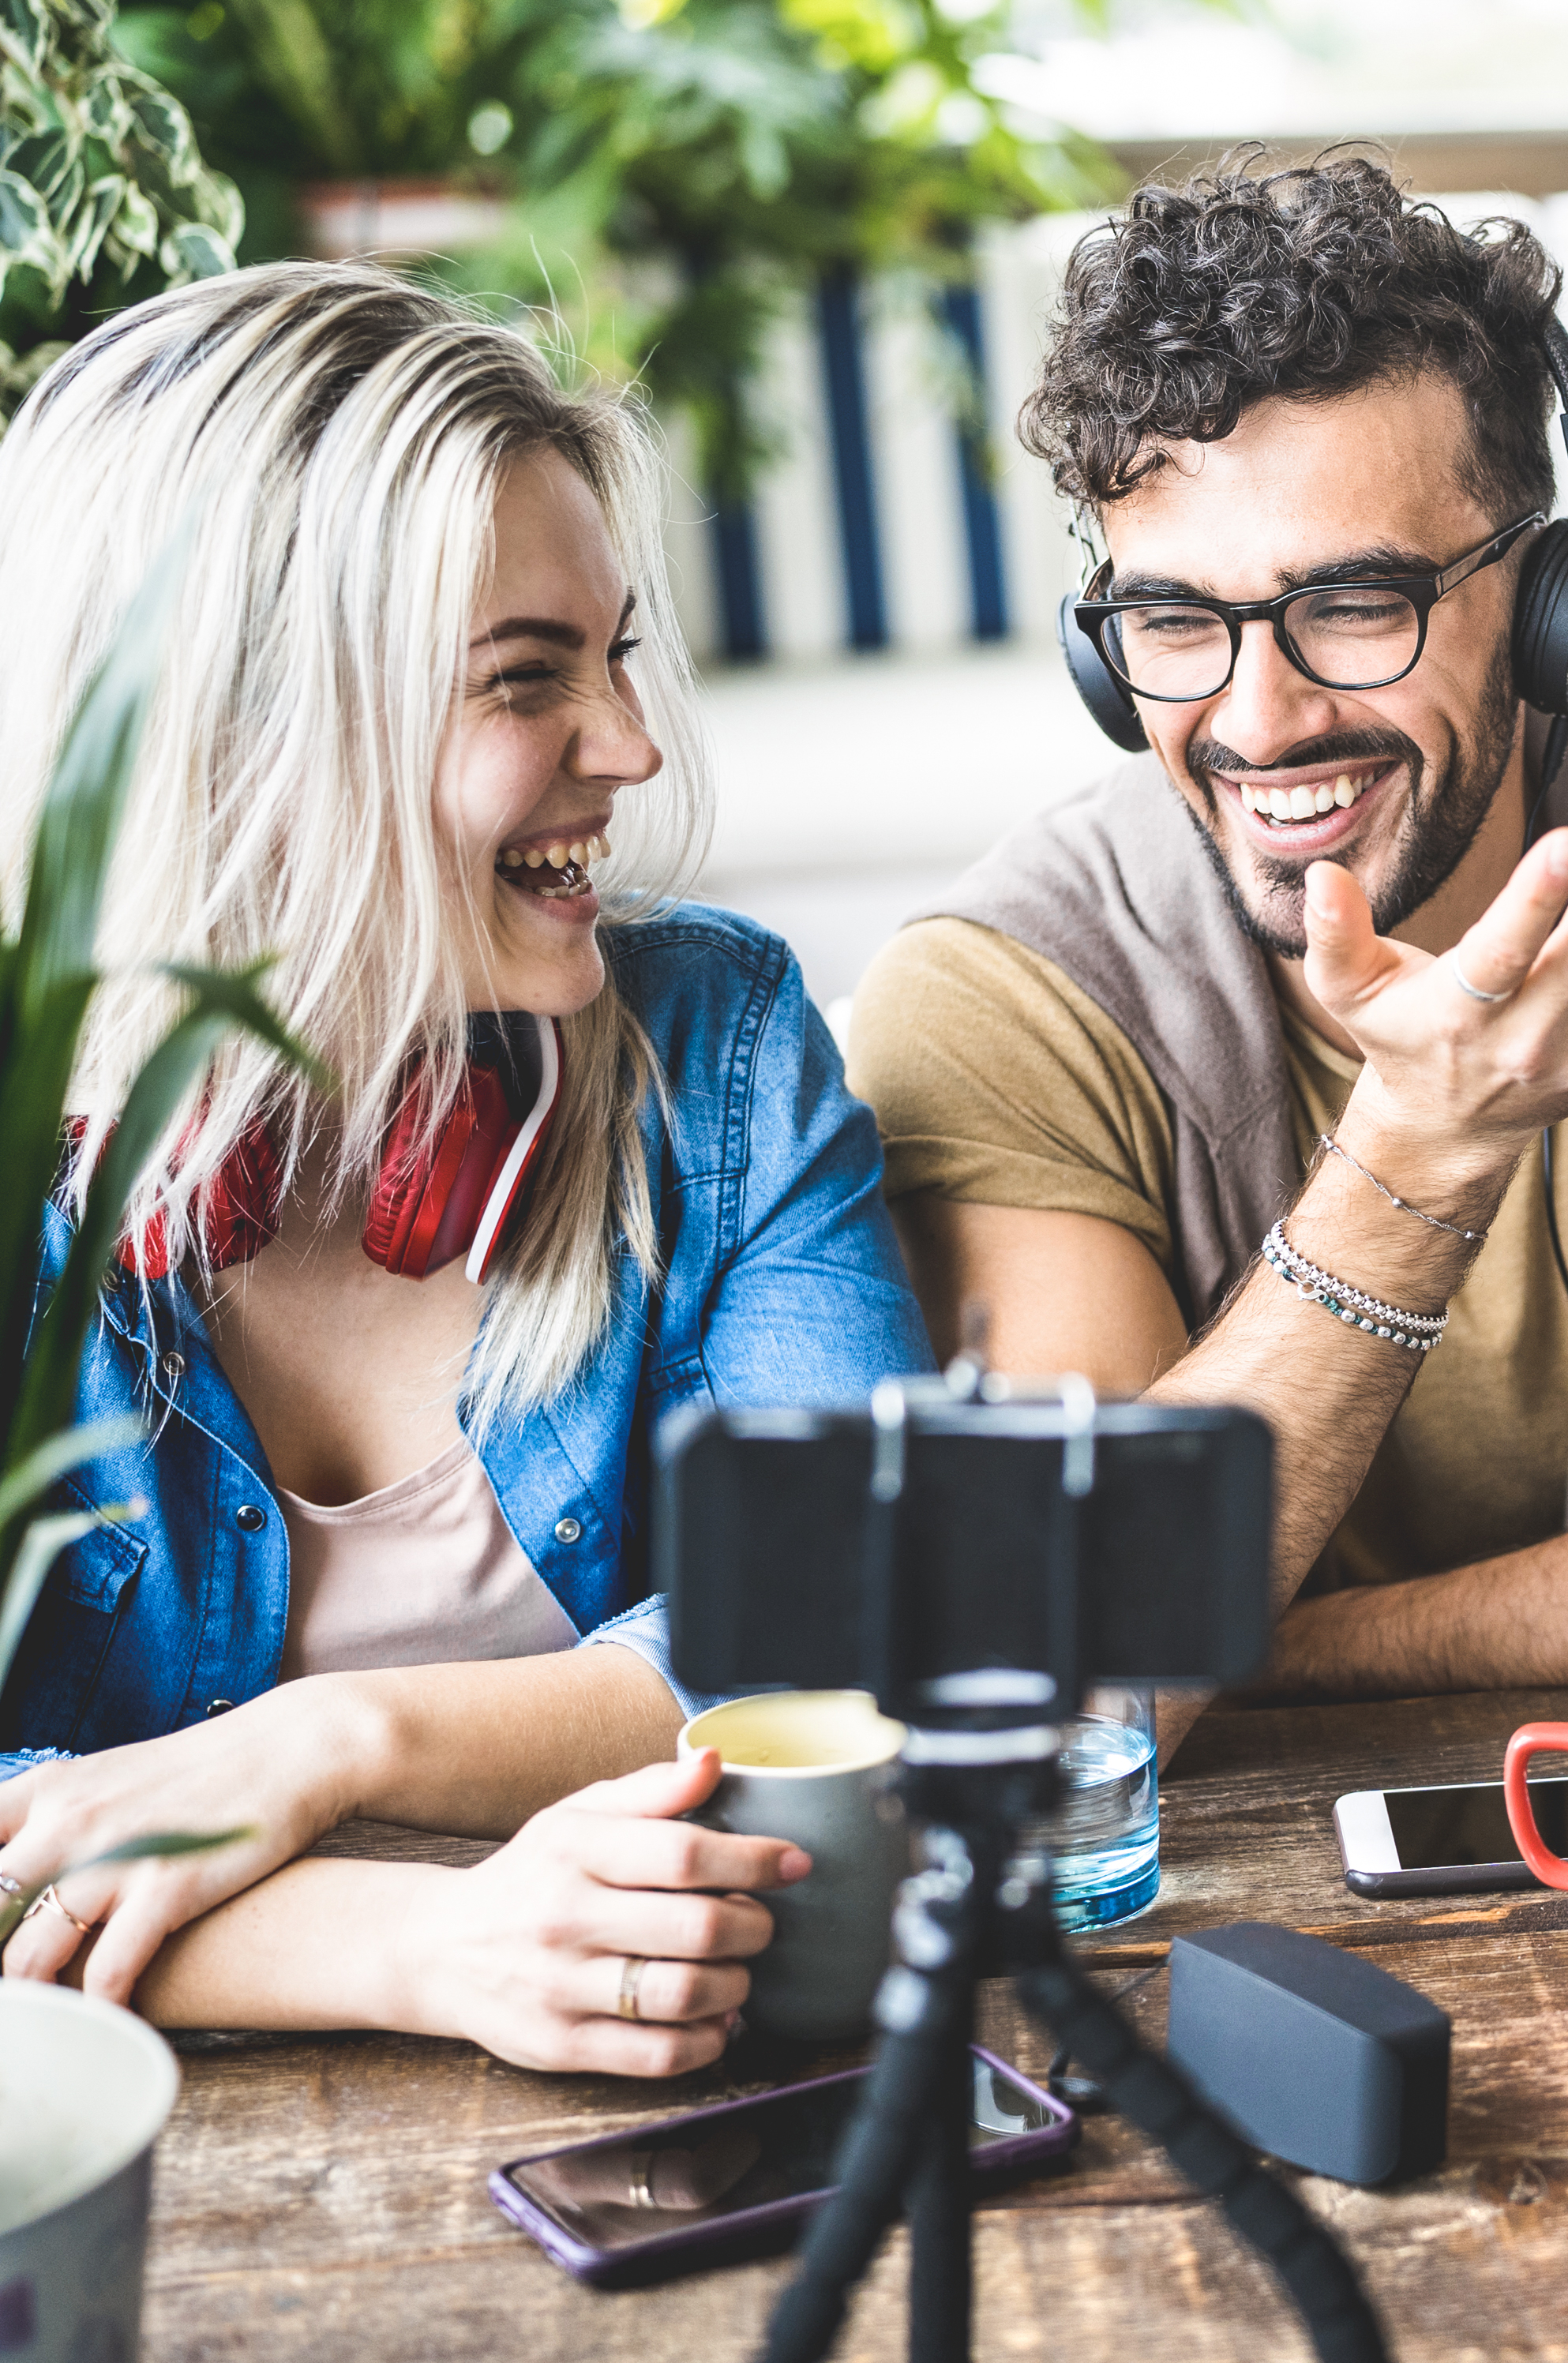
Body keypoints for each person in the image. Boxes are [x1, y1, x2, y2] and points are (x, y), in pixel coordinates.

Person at [845, 157, 1568, 1697]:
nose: (1259, 723)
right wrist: (1419, 1150)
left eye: (1352, 606)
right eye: (1176, 623)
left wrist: (1283, 1646)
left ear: (1554, 607)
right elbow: (1084, 1665)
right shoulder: (993, 1000)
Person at [0, 265, 930, 2071]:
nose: (634, 749)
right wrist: (420, 1946)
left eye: (619, 653)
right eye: (528, 681)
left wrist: (339, 1741)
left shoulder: (721, 1051)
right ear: (251, 740)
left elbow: (867, 1605)